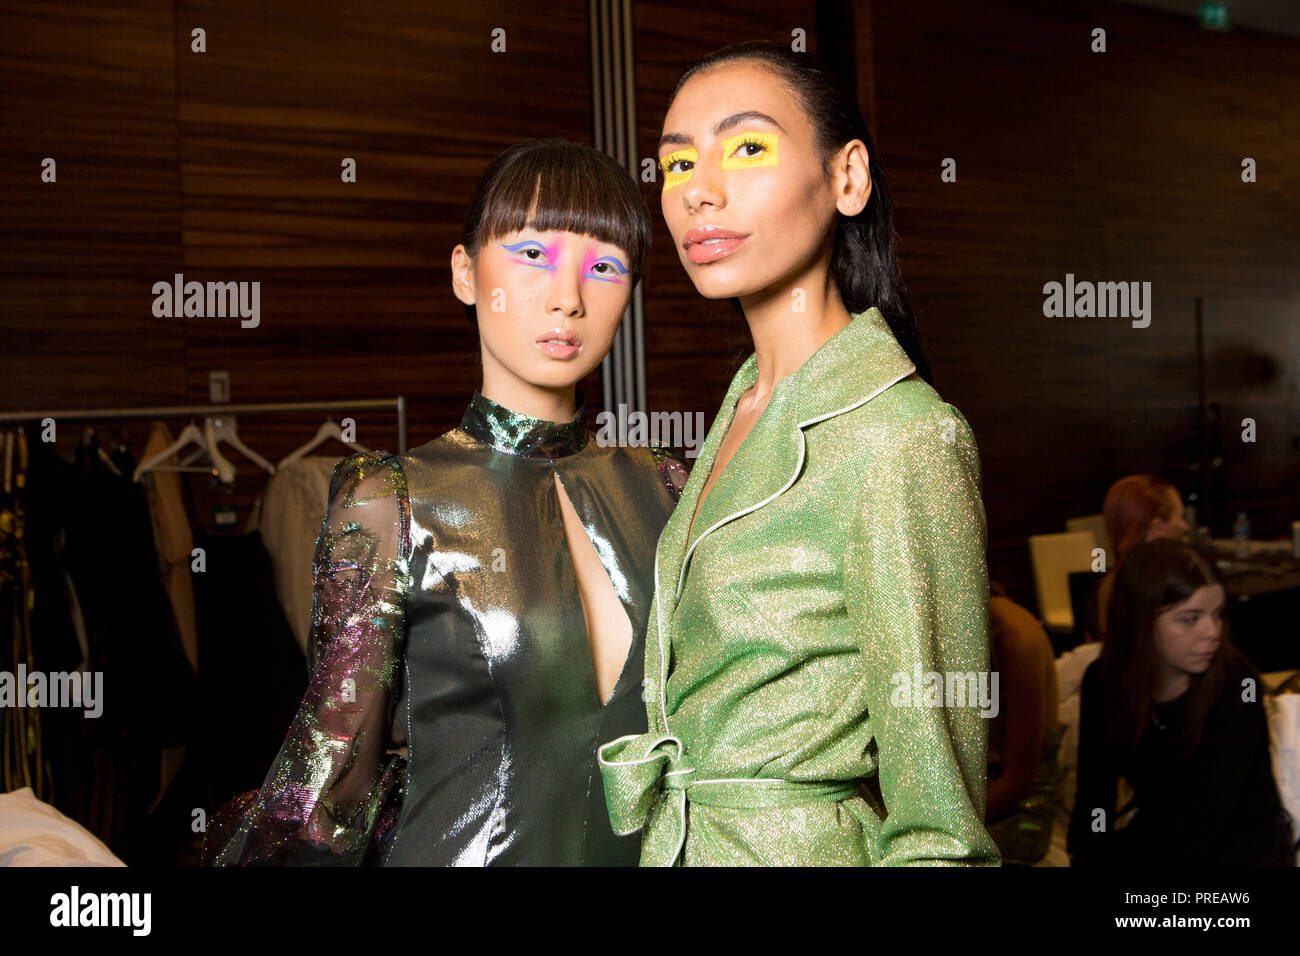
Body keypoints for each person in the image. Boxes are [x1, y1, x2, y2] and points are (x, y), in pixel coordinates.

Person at [205, 138, 689, 866]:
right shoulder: (389, 499)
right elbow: (333, 786)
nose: (568, 296)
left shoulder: (668, 486)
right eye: (532, 253)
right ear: (466, 273)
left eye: (605, 265)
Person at [597, 42, 999, 866]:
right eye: (676, 165)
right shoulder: (740, 411)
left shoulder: (903, 437)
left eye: (748, 148)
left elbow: (941, 830)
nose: (698, 191)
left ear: (847, 178)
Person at [1068, 538, 1295, 867]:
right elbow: (1094, 797)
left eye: (1217, 614)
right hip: (1162, 835)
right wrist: (1086, 855)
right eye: (1190, 619)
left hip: (1239, 849)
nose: (1212, 632)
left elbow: (1207, 821)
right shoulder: (1104, 681)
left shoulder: (1236, 684)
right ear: (1140, 622)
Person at [985, 581, 1063, 866]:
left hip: (1021, 817)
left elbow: (1017, 783)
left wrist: (936, 821)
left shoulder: (1015, 634)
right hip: (972, 804)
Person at [1086, 474, 1189, 642]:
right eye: (1181, 517)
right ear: (1158, 528)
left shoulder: (1104, 590)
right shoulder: (1165, 589)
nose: (1185, 527)